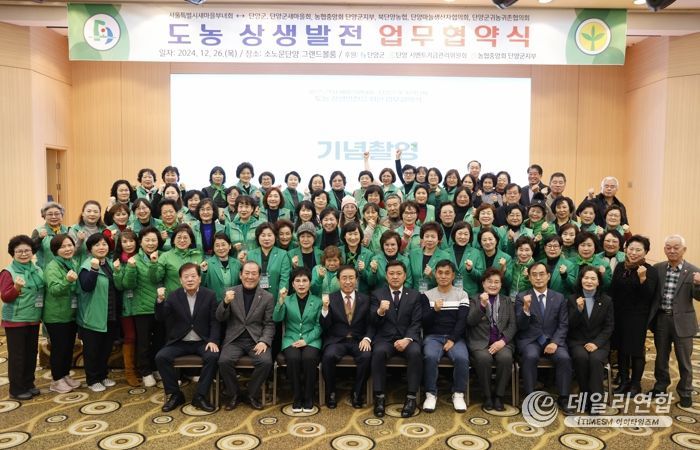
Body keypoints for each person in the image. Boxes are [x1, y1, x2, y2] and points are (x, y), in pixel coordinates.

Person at [154, 263, 220, 412]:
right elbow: (160, 317)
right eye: (186, 277)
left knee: (213, 356)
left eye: (193, 276)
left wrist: (213, 340)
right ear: (180, 280)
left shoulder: (209, 295)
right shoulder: (173, 296)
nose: (190, 279)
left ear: (199, 279)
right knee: (161, 357)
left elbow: (214, 321)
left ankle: (200, 396)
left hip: (202, 341)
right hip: (180, 341)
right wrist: (160, 301)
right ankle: (175, 395)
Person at [515, 262, 575, 414]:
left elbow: (563, 324)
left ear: (548, 276)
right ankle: (529, 398)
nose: (538, 278)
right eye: (534, 275)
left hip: (553, 340)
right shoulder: (522, 297)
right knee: (530, 356)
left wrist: (555, 342)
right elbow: (520, 326)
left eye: (541, 274)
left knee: (564, 358)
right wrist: (526, 308)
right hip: (531, 340)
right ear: (529, 278)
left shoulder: (559, 297)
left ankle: (563, 397)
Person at [648, 234, 700, 408]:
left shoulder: (694, 271)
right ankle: (660, 387)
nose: (672, 250)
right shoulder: (658, 268)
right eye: (668, 247)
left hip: (683, 322)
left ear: (684, 250)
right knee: (661, 357)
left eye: (676, 247)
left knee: (684, 360)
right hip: (662, 319)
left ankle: (685, 392)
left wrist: (698, 285)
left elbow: (698, 297)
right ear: (664, 249)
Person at [217, 261, 275, 410]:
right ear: (240, 275)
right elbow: (220, 318)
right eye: (247, 273)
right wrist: (225, 303)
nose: (250, 277)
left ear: (259, 276)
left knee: (266, 362)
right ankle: (234, 394)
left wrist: (264, 341)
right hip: (234, 339)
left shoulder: (267, 297)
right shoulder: (230, 292)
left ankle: (251, 394)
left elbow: (269, 324)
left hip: (255, 339)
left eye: (254, 273)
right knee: (224, 361)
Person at [369, 260, 423, 418]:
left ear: (405, 276)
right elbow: (372, 321)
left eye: (399, 273)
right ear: (386, 276)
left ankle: (411, 397)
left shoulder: (414, 295)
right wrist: (380, 311)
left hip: (407, 339)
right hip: (385, 339)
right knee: (378, 352)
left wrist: (407, 339)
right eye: (391, 274)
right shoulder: (377, 294)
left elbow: (417, 322)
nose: (395, 277)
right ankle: (379, 397)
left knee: (416, 353)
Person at [320, 265, 374, 409]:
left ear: (356, 280)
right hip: (337, 340)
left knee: (367, 356)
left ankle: (357, 392)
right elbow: (325, 326)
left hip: (358, 340)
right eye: (344, 278)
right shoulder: (330, 298)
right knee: (328, 356)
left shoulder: (365, 299)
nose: (348, 281)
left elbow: (371, 323)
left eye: (351, 278)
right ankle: (331, 392)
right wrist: (325, 309)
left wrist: (367, 338)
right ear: (338, 280)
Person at [610, 235, 658, 396]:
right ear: (625, 249)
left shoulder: (650, 270)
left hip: (638, 317)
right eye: (631, 249)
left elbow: (649, 296)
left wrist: (642, 278)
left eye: (638, 250)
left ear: (646, 252)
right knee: (622, 349)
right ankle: (624, 381)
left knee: (636, 351)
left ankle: (635, 384)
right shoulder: (620, 267)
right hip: (619, 315)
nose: (634, 252)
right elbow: (614, 291)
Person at [421, 260, 470, 413]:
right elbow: (424, 323)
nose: (443, 276)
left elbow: (462, 321)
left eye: (447, 273)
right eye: (440, 273)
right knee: (430, 357)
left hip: (455, 337)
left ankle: (458, 394)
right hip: (433, 336)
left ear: (453, 275)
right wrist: (434, 310)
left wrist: (452, 339)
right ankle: (430, 394)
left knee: (462, 358)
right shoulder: (427, 295)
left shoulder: (462, 294)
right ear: (435, 275)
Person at [119, 227, 164, 388]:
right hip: (142, 307)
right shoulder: (134, 260)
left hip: (160, 305)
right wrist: (131, 268)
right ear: (141, 242)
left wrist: (154, 262)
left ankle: (156, 367)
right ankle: (145, 371)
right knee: (143, 342)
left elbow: (159, 277)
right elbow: (127, 284)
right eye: (147, 240)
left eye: (154, 240)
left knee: (159, 340)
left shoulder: (162, 257)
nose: (151, 243)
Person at [1, 235, 44, 400]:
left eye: (27, 250)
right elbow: (6, 297)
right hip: (15, 320)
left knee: (31, 353)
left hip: (33, 318)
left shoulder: (37, 270)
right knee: (17, 356)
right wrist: (16, 288)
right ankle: (16, 389)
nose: (24, 254)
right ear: (13, 253)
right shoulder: (8, 272)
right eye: (19, 251)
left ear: (32, 252)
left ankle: (28, 383)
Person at [273, 267, 323, 413]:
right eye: (298, 281)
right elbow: (277, 318)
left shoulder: (318, 301)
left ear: (310, 283)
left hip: (312, 339)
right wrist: (280, 301)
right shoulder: (287, 300)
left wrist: (306, 340)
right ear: (293, 284)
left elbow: (319, 326)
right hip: (291, 339)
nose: (301, 284)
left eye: (305, 280)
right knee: (293, 358)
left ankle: (308, 397)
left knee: (309, 358)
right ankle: (297, 396)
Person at [467, 268, 516, 411]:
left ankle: (499, 396)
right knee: (484, 359)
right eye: (489, 282)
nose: (493, 285)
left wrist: (503, 341)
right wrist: (482, 305)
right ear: (483, 283)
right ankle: (487, 396)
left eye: (496, 282)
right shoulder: (474, 299)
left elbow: (513, 325)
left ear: (501, 285)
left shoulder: (507, 300)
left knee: (505, 358)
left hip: (502, 342)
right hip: (480, 342)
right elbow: (470, 321)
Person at [77, 233, 122, 392]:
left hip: (110, 313)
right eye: (97, 245)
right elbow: (87, 286)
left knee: (105, 348)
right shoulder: (86, 266)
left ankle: (103, 375)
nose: (101, 247)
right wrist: (94, 269)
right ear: (90, 249)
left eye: (104, 244)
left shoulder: (109, 263)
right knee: (92, 350)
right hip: (93, 315)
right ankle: (92, 379)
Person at [567, 266, 614, 413]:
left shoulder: (606, 300)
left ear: (598, 282)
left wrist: (596, 343)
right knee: (581, 358)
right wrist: (578, 310)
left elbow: (609, 327)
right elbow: (569, 325)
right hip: (577, 341)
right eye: (586, 278)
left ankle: (595, 402)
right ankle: (585, 396)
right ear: (580, 280)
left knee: (595, 360)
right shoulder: (572, 299)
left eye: (593, 278)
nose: (589, 281)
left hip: (599, 342)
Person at [43, 234, 81, 393]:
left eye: (70, 245)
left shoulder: (72, 262)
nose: (67, 249)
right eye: (63, 247)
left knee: (68, 348)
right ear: (55, 250)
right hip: (56, 316)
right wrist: (68, 281)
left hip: (70, 314)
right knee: (59, 349)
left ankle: (64, 375)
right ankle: (56, 380)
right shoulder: (52, 267)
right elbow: (54, 290)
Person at [32, 202, 69, 269]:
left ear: (62, 215)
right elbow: (31, 249)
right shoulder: (38, 231)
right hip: (46, 270)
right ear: (44, 216)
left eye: (57, 214)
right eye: (50, 214)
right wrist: (39, 238)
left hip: (66, 269)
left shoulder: (68, 230)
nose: (53, 217)